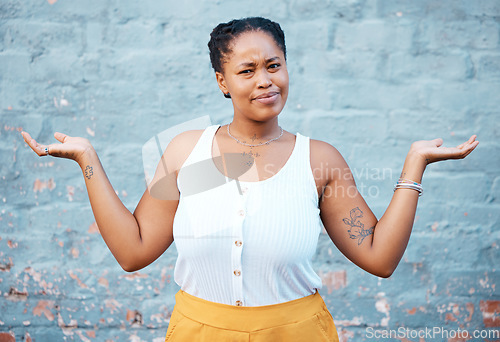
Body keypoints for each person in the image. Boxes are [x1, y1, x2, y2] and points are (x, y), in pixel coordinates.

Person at [21, 17, 478, 342]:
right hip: (199, 333)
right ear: (223, 81)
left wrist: (413, 166)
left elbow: (379, 258)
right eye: (247, 71)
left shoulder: (318, 161)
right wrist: (87, 159)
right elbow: (134, 250)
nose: (265, 81)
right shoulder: (189, 153)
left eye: (274, 65)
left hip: (297, 333)